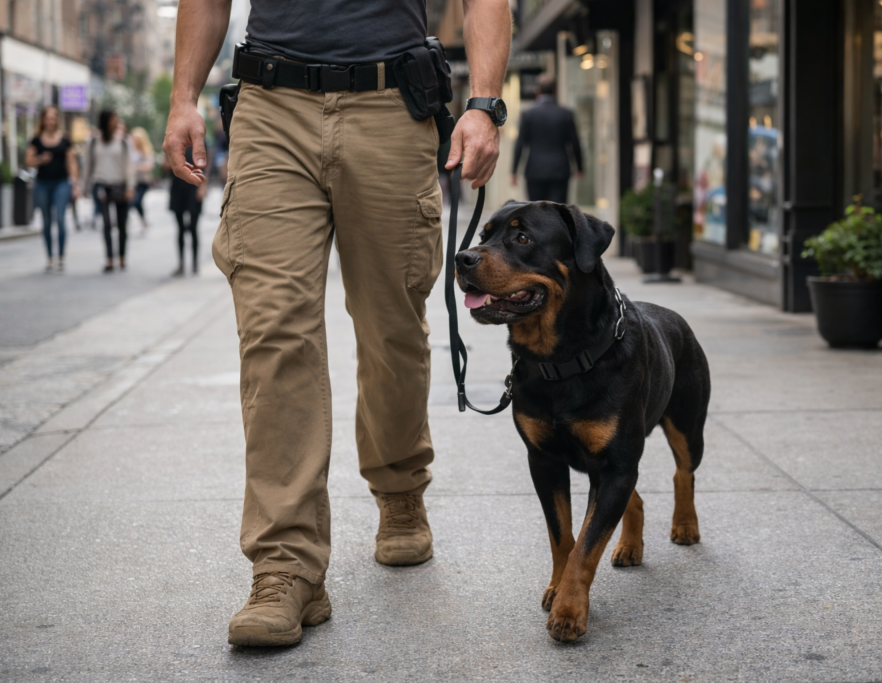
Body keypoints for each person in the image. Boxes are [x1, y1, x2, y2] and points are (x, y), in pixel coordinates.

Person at [165, 0, 511, 647]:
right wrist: (184, 96)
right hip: (270, 108)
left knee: (393, 330)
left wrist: (484, 102)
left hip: (390, 104)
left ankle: (400, 484)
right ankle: (285, 566)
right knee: (274, 332)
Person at [510, 74, 583, 203]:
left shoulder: (528, 114)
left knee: (536, 212)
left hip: (534, 170)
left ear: (537, 91)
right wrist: (579, 167)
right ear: (555, 90)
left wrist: (514, 172)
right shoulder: (566, 114)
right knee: (559, 212)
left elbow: (520, 143)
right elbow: (575, 143)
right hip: (560, 170)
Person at [26, 105, 79, 272]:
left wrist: (74, 183)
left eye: (53, 117)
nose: (51, 121)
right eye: (47, 118)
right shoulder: (36, 139)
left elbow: (71, 161)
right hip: (42, 184)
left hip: (61, 183)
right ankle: (49, 257)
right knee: (47, 221)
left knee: (61, 219)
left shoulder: (65, 139)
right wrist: (40, 160)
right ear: (43, 120)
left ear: (57, 120)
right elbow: (28, 160)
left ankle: (61, 257)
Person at [84, 110, 134, 272]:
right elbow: (87, 165)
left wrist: (130, 187)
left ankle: (121, 257)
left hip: (120, 185)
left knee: (121, 224)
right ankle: (109, 259)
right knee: (106, 223)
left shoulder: (124, 141)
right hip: (101, 184)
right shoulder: (93, 142)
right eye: (113, 119)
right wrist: (83, 187)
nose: (116, 122)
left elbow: (129, 166)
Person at [167, 147, 206, 276]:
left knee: (194, 228)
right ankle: (181, 264)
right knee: (180, 229)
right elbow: (166, 168)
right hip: (178, 188)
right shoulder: (174, 140)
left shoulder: (198, 140)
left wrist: (203, 187)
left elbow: (205, 164)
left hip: (194, 188)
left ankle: (195, 263)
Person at [130, 127, 155, 232]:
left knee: (137, 201)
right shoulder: (130, 150)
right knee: (132, 202)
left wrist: (135, 167)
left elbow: (148, 166)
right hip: (132, 181)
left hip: (143, 181)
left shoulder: (145, 150)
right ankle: (140, 221)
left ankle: (143, 221)